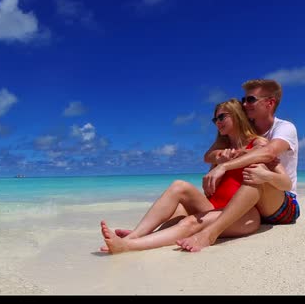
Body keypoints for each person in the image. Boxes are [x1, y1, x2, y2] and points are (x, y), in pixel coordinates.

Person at [100, 98, 292, 254]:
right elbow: (209, 173)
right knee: (179, 186)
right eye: (214, 119)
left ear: (237, 115)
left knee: (189, 222)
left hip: (242, 214)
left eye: (222, 117)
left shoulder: (258, 144)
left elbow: (285, 183)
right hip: (214, 207)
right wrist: (218, 163)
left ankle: (128, 246)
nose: (217, 122)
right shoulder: (221, 150)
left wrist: (265, 175)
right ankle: (135, 235)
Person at [176, 79, 300, 252]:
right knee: (185, 210)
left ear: (270, 102)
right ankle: (145, 235)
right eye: (244, 100)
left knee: (255, 173)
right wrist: (221, 158)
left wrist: (225, 166)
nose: (244, 104)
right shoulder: (247, 132)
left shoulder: (285, 128)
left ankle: (210, 234)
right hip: (249, 205)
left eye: (250, 99)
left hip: (280, 200)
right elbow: (208, 156)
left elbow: (268, 153)